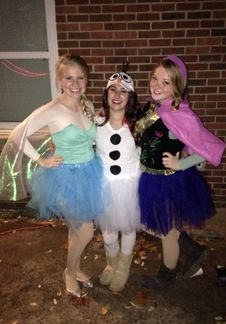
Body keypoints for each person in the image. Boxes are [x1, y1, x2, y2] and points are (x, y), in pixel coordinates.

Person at [0, 54, 104, 298]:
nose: (75, 83)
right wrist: (41, 160)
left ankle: (75, 268)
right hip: (65, 179)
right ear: (60, 79)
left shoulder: (86, 104)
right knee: (86, 231)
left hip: (90, 172)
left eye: (81, 78)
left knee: (76, 230)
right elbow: (17, 136)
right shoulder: (52, 109)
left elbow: (92, 134)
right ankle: (69, 272)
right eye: (69, 78)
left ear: (87, 80)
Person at [135, 55, 226, 289]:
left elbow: (209, 148)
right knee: (152, 223)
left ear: (177, 86)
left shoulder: (180, 115)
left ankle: (166, 278)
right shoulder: (153, 107)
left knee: (165, 231)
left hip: (168, 181)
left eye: (166, 82)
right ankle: (192, 250)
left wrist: (181, 164)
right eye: (155, 78)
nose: (157, 85)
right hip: (149, 177)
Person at [95, 69, 141, 292]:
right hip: (104, 185)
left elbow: (146, 154)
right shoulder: (95, 122)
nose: (117, 94)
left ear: (130, 97)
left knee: (129, 228)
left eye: (123, 91)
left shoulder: (137, 126)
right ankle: (111, 264)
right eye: (113, 89)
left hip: (130, 185)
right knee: (108, 231)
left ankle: (123, 267)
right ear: (106, 93)